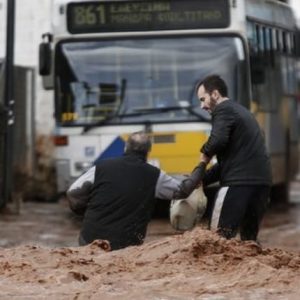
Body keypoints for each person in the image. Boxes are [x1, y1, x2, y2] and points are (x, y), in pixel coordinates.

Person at [185, 74, 272, 241]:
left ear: (215, 95)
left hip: (237, 185)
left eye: (203, 99)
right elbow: (228, 164)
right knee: (249, 241)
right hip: (261, 184)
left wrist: (203, 159)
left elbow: (217, 141)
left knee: (216, 240)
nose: (202, 106)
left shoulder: (223, 110)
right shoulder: (242, 112)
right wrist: (201, 179)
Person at [67, 131, 181, 251]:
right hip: (127, 245)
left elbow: (73, 194)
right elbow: (183, 190)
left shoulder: (101, 167)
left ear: (126, 147)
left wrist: (85, 214)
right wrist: (201, 164)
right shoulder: (155, 175)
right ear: (148, 151)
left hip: (89, 239)